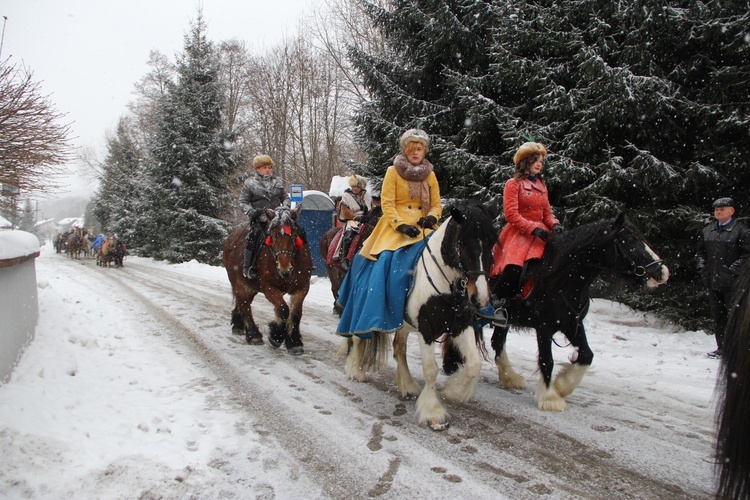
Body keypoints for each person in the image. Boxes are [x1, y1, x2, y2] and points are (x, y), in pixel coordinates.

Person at [336, 128, 442, 336]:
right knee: (384, 259)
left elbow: (437, 204)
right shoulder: (393, 172)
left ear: (425, 152)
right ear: (405, 150)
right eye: (411, 148)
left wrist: (432, 217)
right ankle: (378, 311)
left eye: (419, 149)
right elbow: (387, 203)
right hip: (395, 227)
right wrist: (401, 225)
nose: (415, 152)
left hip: (424, 227)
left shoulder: (430, 175)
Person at [489, 141, 562, 325]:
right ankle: (496, 302)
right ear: (525, 162)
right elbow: (511, 214)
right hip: (519, 233)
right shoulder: (513, 184)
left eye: (541, 161)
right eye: (535, 160)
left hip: (541, 235)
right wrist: (532, 228)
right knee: (514, 268)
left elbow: (547, 213)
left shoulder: (541, 186)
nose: (539, 164)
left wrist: (554, 224)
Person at [696, 197, 750, 358]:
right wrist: (703, 269)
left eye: (722, 209)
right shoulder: (708, 230)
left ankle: (737, 350)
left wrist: (731, 272)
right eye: (716, 209)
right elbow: (700, 253)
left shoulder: (742, 231)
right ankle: (722, 348)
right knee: (719, 317)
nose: (718, 212)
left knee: (735, 318)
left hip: (734, 284)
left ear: (731, 211)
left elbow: (747, 256)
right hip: (713, 282)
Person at [239, 154, 291, 279]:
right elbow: (243, 202)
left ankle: (302, 264)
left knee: (296, 233)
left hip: (278, 218)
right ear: (257, 169)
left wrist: (285, 207)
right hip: (260, 219)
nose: (267, 170)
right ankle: (248, 267)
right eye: (264, 167)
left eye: (269, 167)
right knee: (253, 237)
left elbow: (285, 198)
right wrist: (251, 211)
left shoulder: (277, 182)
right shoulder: (250, 184)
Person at [335, 174, 373, 270]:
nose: (355, 188)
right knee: (349, 234)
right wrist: (355, 217)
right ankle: (344, 259)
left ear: (361, 187)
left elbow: (372, 208)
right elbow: (345, 211)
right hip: (352, 220)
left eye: (357, 186)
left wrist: (371, 215)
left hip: (367, 219)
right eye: (353, 186)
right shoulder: (346, 196)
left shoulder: (367, 196)